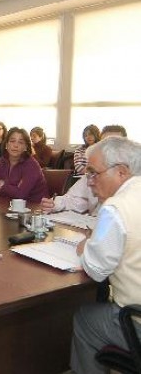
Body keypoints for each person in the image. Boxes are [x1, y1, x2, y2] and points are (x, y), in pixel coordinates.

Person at [70, 136, 141, 374]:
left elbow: (96, 270)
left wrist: (86, 246)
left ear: (121, 172)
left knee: (84, 319)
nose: (89, 182)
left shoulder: (116, 208)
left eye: (93, 173)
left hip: (136, 321)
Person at [41, 125, 128, 216]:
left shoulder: (134, 180)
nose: (108, 151)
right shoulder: (92, 175)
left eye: (114, 145)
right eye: (104, 145)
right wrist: (55, 204)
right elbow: (75, 199)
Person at [0, 127, 48, 202]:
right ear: (6, 145)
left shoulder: (31, 164)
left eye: (20, 142)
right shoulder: (3, 160)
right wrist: (13, 188)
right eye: (12, 141)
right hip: (10, 206)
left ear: (25, 147)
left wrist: (2, 186)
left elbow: (21, 195)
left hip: (36, 208)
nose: (16, 145)